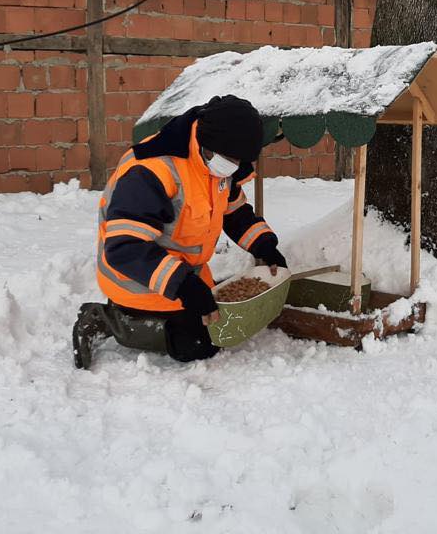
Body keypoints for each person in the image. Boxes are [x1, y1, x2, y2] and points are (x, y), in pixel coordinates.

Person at [72, 95, 287, 368]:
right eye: (229, 159)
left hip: (184, 274)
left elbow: (235, 213)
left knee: (218, 332)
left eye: (239, 160)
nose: (233, 166)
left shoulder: (217, 165)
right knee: (194, 345)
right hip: (137, 279)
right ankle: (107, 319)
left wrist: (264, 246)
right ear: (207, 145)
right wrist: (184, 285)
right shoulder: (152, 170)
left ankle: (182, 304)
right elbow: (125, 248)